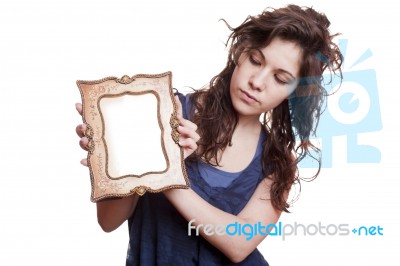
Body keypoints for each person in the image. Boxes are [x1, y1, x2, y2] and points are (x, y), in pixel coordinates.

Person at [76, 4, 342, 265]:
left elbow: (239, 244)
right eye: (255, 60)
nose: (257, 82)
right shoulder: (167, 112)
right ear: (241, 52)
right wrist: (113, 155)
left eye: (280, 79)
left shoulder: (277, 163)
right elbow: (108, 222)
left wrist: (168, 170)